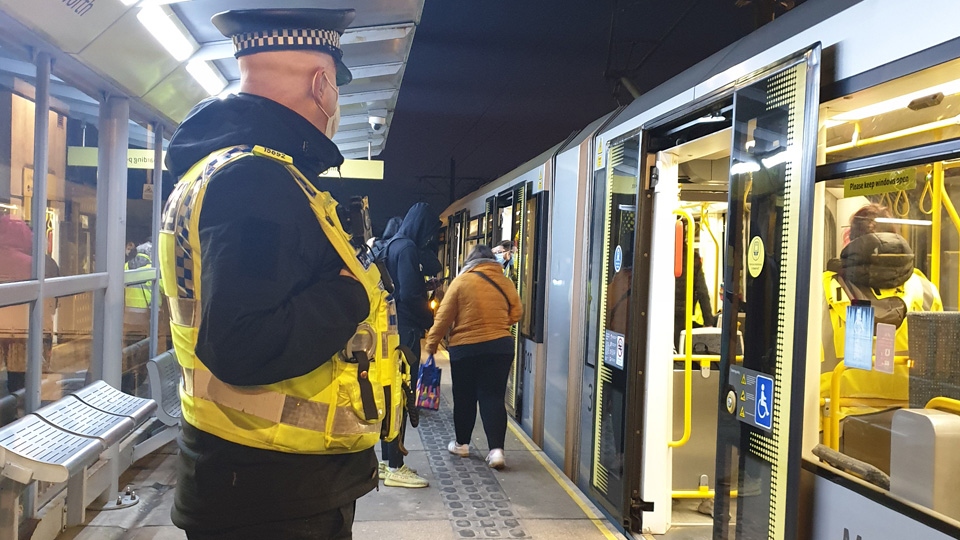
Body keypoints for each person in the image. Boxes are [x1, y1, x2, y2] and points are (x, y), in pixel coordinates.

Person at [159, 8, 391, 539]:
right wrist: (350, 294)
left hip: (246, 477)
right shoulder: (256, 182)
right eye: (337, 87)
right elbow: (242, 341)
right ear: (322, 84)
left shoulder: (217, 170)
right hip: (274, 494)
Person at [821, 203, 942, 418]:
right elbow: (939, 362)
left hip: (832, 415)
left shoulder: (818, 288)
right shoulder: (926, 291)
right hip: (911, 416)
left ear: (849, 238)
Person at [424, 245, 522, 469]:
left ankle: (462, 444)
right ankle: (496, 451)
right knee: (493, 397)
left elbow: (443, 318)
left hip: (466, 349)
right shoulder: (505, 281)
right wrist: (497, 326)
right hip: (500, 347)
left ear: (469, 261)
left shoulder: (461, 281)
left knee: (465, 397)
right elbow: (517, 312)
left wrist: (430, 347)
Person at [380, 202, 440, 488]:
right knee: (402, 398)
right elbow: (412, 294)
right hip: (405, 333)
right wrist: (428, 318)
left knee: (391, 396)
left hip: (393, 329)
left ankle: (385, 461)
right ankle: (396, 465)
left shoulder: (393, 244)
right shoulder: (407, 250)